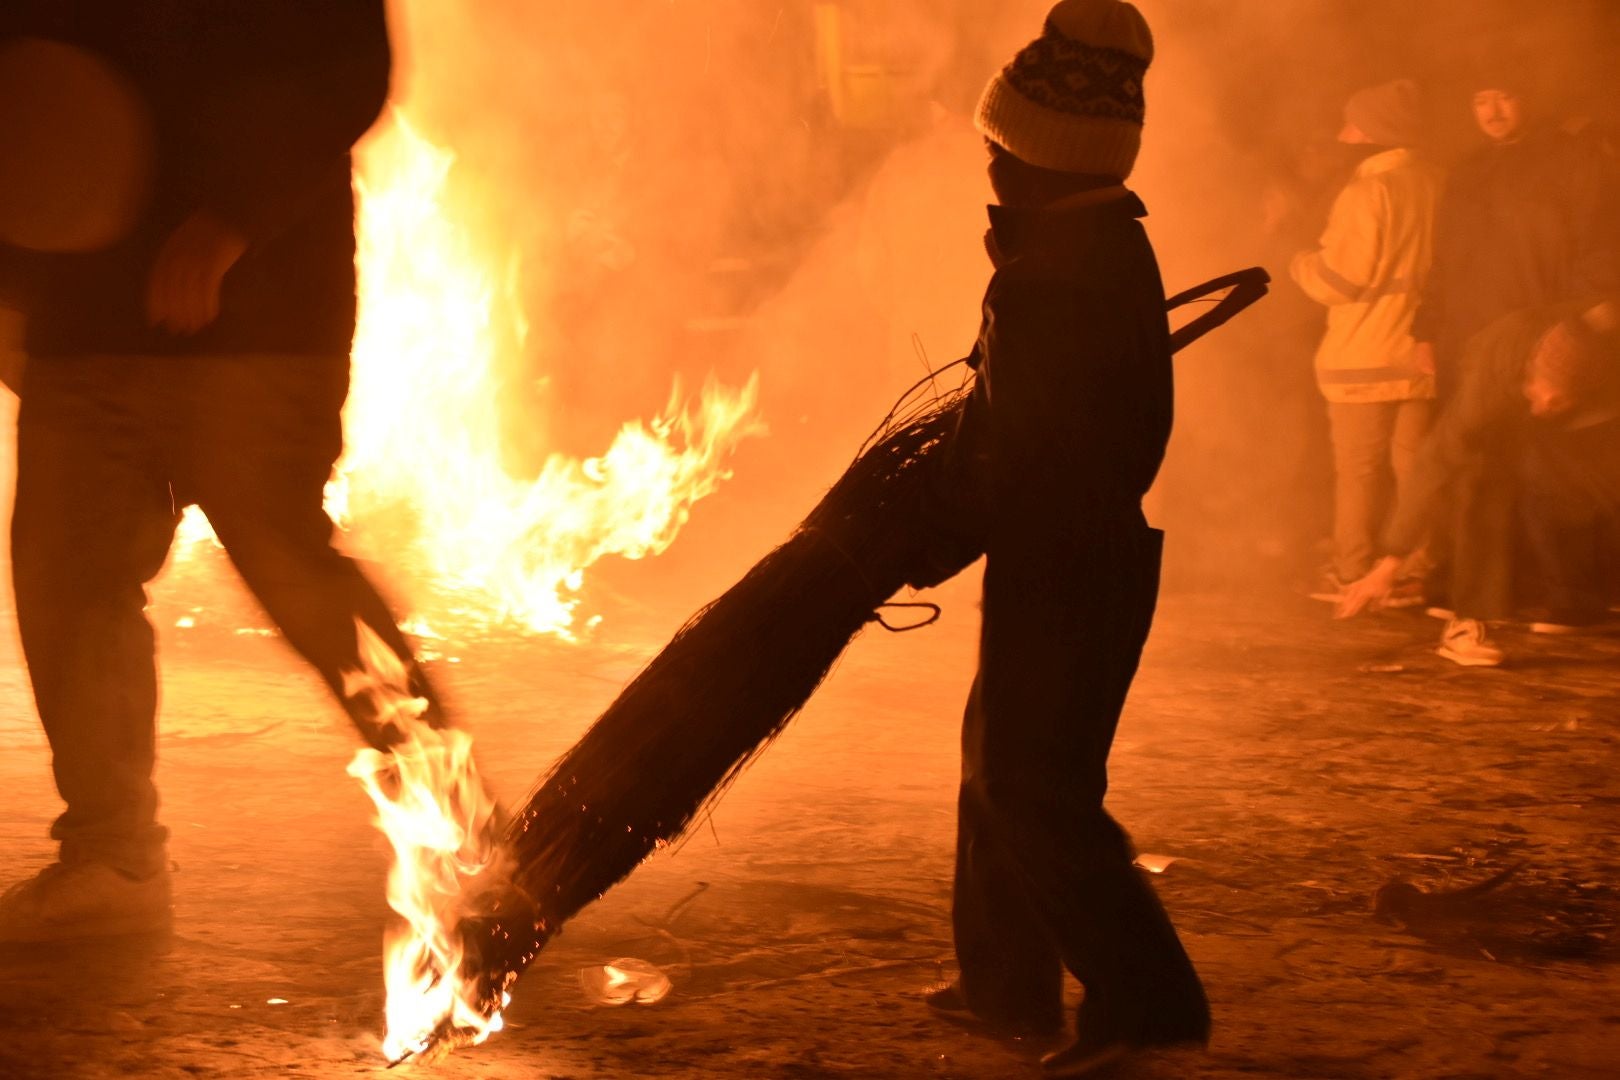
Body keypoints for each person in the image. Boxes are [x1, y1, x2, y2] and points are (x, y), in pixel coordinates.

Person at [0, 1, 443, 943]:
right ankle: (114, 861)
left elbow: (344, 66)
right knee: (65, 571)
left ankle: (461, 837)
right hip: (85, 319)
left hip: (259, 317)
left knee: (287, 562)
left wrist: (231, 222)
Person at [919, 3, 1209, 1075]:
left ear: (1043, 159)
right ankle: (1007, 983)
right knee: (995, 767)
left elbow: (1023, 455)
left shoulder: (1055, 281)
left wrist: (932, 528)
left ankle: (1151, 1009)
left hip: (1070, 563)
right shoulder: (1091, 248)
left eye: (1002, 144)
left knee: (1037, 792)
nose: (987, 158)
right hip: (1073, 559)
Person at [1336, 302, 1620, 665]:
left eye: (1558, 401)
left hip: (1571, 400)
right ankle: (1466, 622)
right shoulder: (1488, 388)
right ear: (1530, 377)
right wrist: (1388, 564)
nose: (1541, 405)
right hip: (1488, 388)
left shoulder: (1597, 369)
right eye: (1540, 393)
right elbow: (1431, 464)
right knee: (1480, 485)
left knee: (1587, 480)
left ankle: (1575, 594)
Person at [1290, 79, 1443, 602]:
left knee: (1358, 472)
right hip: (1421, 353)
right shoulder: (1436, 181)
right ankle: (1413, 571)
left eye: (1351, 124)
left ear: (1374, 132)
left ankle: (1353, 573)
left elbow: (1342, 281)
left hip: (1363, 355)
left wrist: (1300, 264)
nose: (1342, 134)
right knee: (1417, 472)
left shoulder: (1367, 191)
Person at [1411, 70, 1618, 395]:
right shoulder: (1467, 170)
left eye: (1504, 98)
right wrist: (1426, 333)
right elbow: (1444, 259)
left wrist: (1566, 333)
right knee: (1466, 441)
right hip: (1465, 344)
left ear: (1528, 99)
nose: (1492, 113)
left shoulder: (1571, 159)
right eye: (1481, 101)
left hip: (1534, 348)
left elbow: (1600, 252)